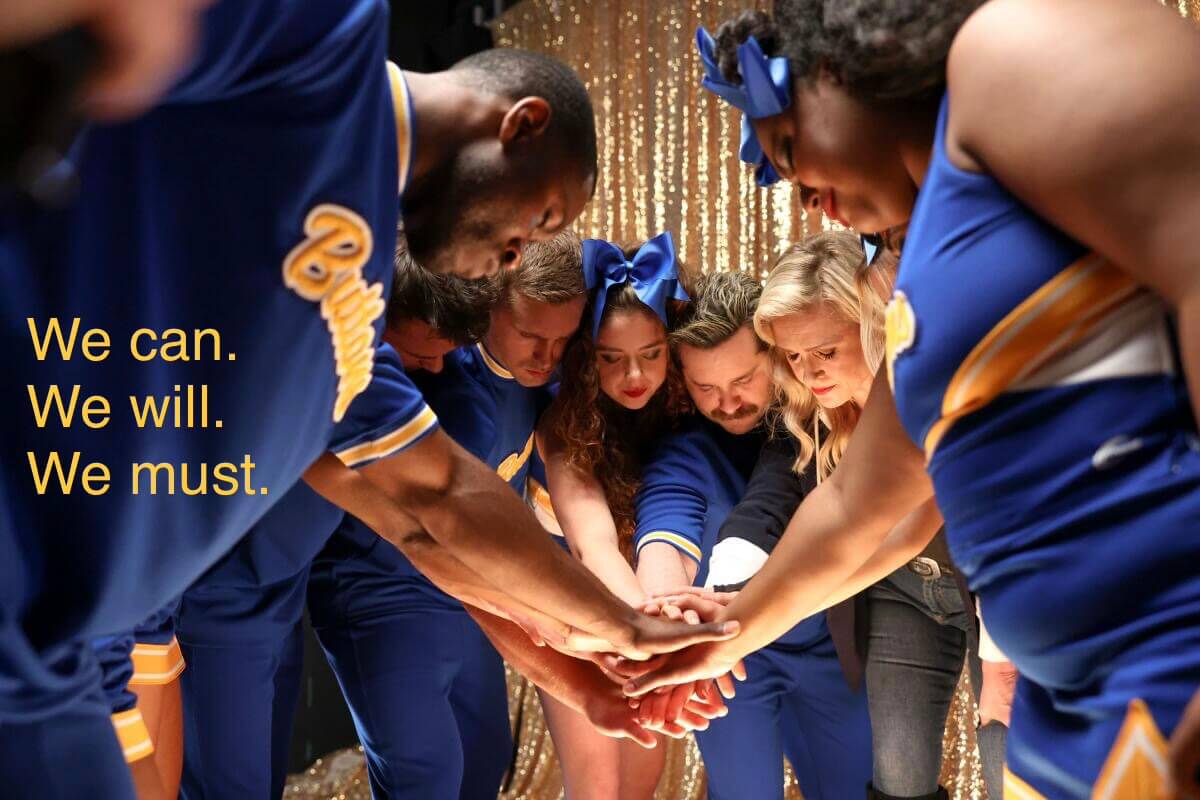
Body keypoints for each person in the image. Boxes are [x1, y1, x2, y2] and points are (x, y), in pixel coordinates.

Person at [0, 2, 648, 790]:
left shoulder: (357, 305)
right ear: (520, 126)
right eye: (540, 217)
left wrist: (577, 657)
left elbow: (425, 512)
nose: (520, 252)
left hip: (55, 652)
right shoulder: (329, 41)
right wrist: (622, 623)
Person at [627, 3, 1200, 796]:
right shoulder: (922, 261)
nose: (803, 199)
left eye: (790, 149)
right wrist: (729, 630)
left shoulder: (1006, 45)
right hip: (1073, 716)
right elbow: (861, 502)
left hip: (1171, 658)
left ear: (846, 65)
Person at [173, 241, 493, 800]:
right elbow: (426, 521)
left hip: (280, 602)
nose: (435, 368)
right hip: (216, 610)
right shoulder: (323, 369)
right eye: (423, 353)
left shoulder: (391, 380)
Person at [305, 231, 584, 800]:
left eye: (562, 342)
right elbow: (430, 521)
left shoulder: (536, 388)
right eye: (531, 335)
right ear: (490, 308)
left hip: (468, 600)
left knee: (484, 759)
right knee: (424, 773)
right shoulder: (430, 368)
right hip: (379, 587)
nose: (545, 357)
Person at [750, 231, 1008, 799]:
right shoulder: (821, 413)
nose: (808, 372)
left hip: (993, 596)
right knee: (897, 771)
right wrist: (746, 602)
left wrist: (763, 614)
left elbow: (906, 531)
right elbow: (789, 512)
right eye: (793, 356)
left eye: (825, 350)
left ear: (871, 324)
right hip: (901, 595)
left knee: (1006, 763)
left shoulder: (928, 387)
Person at [632, 271, 872, 800]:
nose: (728, 402)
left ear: (780, 358)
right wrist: (669, 610)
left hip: (828, 646)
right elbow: (664, 531)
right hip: (729, 656)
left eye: (743, 379)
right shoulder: (685, 452)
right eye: (706, 387)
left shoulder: (833, 423)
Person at [533, 232, 694, 799]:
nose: (635, 376)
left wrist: (654, 632)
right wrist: (644, 630)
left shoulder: (684, 415)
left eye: (651, 354)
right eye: (611, 358)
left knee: (642, 780)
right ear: (583, 358)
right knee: (597, 785)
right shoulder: (563, 425)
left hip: (647, 615)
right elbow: (592, 545)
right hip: (578, 614)